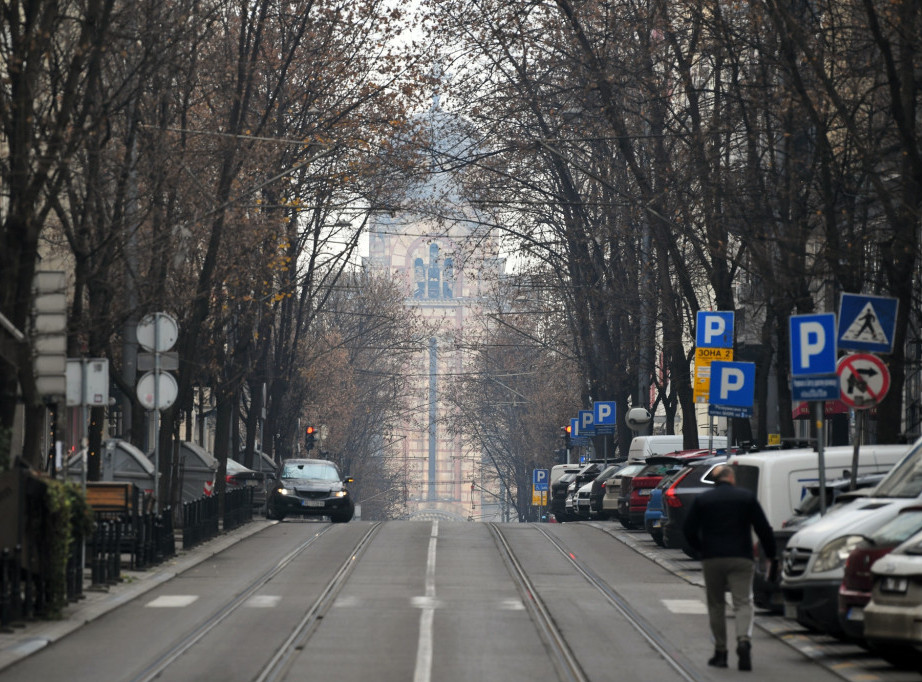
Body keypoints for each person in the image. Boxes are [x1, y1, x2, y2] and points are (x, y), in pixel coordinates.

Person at [683, 464, 777, 672]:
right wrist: (771, 554)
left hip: (713, 557)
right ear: (731, 478)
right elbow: (763, 528)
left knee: (716, 604)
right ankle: (743, 640)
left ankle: (721, 652)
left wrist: (700, 550)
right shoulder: (745, 498)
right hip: (741, 557)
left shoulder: (703, 499)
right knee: (743, 601)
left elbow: (688, 530)